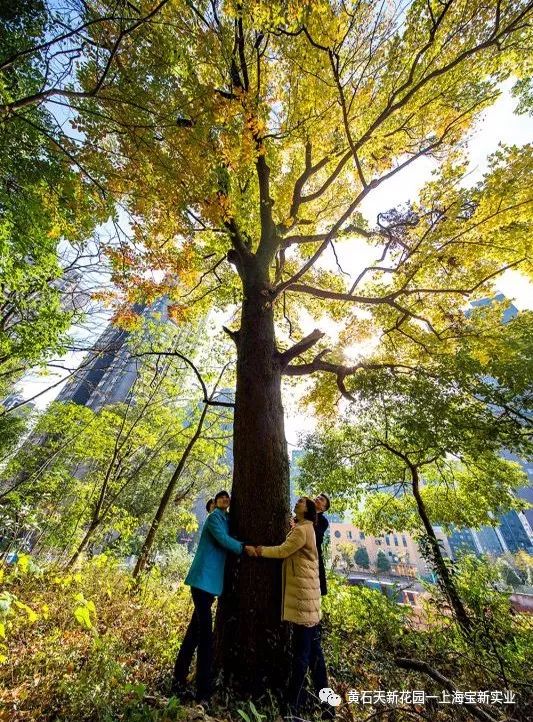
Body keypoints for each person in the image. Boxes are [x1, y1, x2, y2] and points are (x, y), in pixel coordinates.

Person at [172, 490, 255, 704]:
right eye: (221, 498)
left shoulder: (226, 519)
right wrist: (244, 547)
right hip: (201, 583)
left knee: (194, 634)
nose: (225, 500)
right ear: (215, 502)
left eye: (227, 498)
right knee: (206, 638)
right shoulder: (213, 519)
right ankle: (203, 692)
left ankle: (178, 680)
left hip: (209, 585)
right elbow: (224, 540)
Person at [254, 497, 333, 720]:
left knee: (302, 655)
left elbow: (282, 551)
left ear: (307, 511)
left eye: (300, 502)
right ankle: (327, 706)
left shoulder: (304, 530)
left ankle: (292, 706)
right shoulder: (305, 528)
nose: (296, 503)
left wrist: (259, 551)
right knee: (315, 656)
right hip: (310, 601)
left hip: (303, 602)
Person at [314, 493, 330, 597]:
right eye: (318, 497)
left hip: (313, 555)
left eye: (321, 499)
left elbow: (317, 537)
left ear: (324, 508)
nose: (317, 498)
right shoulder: (303, 513)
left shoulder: (324, 521)